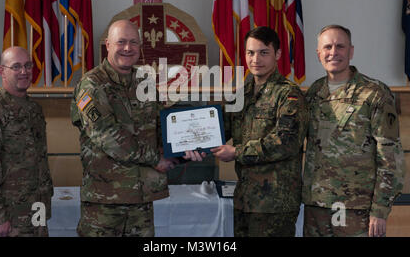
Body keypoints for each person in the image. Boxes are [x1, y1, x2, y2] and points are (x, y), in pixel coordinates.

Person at [186, 26, 308, 237]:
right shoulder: (243, 94)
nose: (255, 59)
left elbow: (285, 143)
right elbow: (216, 128)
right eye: (250, 53)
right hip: (244, 199)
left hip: (275, 204)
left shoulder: (289, 94)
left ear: (277, 54)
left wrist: (236, 152)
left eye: (263, 52)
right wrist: (188, 144)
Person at [71, 19, 176, 237]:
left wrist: (182, 150)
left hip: (142, 200)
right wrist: (156, 158)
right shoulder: (91, 85)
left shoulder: (144, 82)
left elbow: (161, 125)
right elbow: (108, 136)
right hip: (105, 204)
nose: (127, 48)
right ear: (107, 45)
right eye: (121, 42)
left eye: (133, 42)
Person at [302, 24, 405, 237]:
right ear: (318, 53)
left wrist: (380, 210)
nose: (333, 52)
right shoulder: (313, 93)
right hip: (316, 208)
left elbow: (390, 158)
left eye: (340, 46)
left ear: (351, 51)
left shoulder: (374, 94)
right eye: (327, 47)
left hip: (357, 210)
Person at [0, 46, 53, 237]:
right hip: (6, 219)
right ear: (2, 71)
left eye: (27, 65)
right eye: (16, 67)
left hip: (36, 211)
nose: (24, 72)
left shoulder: (34, 109)